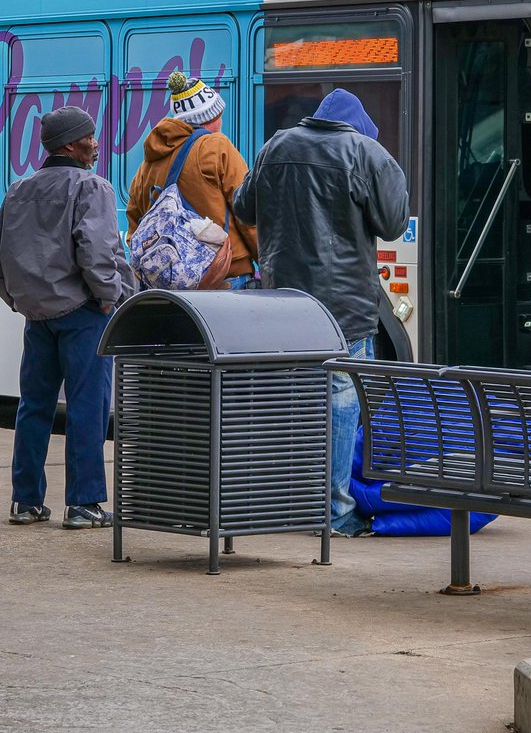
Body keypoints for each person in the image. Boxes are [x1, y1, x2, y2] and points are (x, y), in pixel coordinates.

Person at [233, 89, 408, 537]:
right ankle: (335, 514)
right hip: (344, 306)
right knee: (341, 407)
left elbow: (244, 209)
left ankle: (284, 503)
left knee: (288, 406)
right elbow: (392, 223)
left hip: (283, 303)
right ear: (359, 126)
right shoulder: (367, 153)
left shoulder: (276, 146)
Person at [0, 106, 134, 529]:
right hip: (84, 313)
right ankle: (84, 503)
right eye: (91, 137)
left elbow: (4, 259)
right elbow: (96, 253)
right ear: (72, 144)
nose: (97, 144)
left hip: (37, 316)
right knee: (87, 408)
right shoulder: (91, 187)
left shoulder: (17, 191)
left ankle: (26, 501)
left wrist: (19, 301)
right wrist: (110, 298)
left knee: (34, 407)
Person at [127, 69, 258, 287]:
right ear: (210, 117)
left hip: (170, 287)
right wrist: (265, 258)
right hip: (224, 277)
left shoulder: (146, 166)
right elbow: (246, 212)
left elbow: (135, 229)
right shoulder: (216, 146)